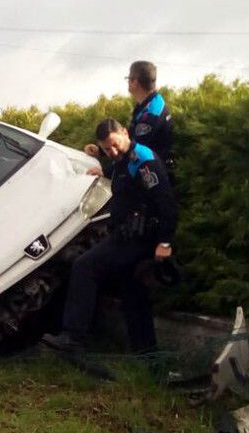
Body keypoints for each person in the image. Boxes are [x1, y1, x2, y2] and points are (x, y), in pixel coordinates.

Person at [43, 118, 177, 354]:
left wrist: (165, 242)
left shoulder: (143, 160)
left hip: (137, 239)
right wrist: (102, 167)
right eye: (107, 148)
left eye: (114, 145)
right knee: (133, 295)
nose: (112, 151)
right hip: (127, 235)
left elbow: (166, 202)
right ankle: (148, 356)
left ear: (125, 133)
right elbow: (120, 170)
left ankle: (74, 337)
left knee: (84, 267)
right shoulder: (123, 160)